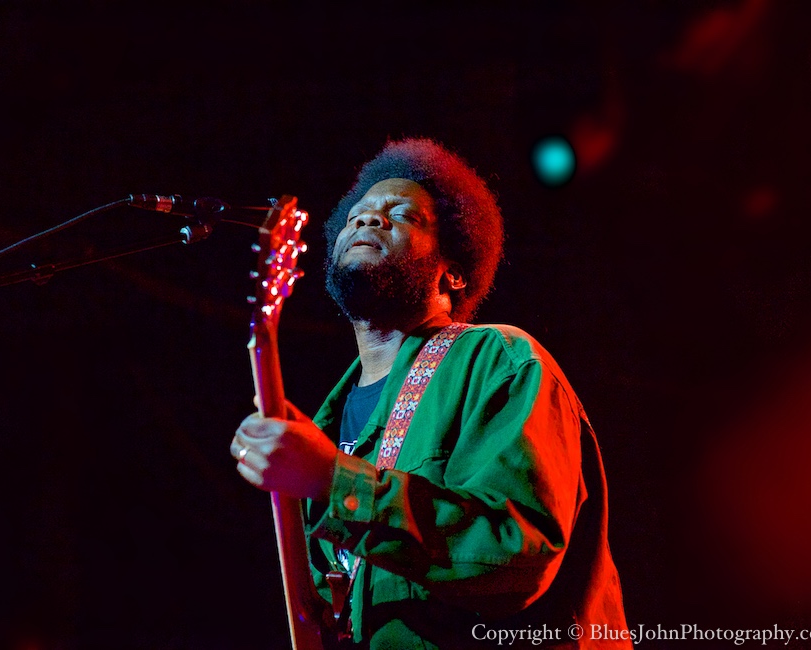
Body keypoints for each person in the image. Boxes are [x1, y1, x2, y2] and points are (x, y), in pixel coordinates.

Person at [231, 139, 630, 649]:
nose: (369, 221)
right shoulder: (326, 426)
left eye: (403, 215)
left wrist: (334, 481)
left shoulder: (499, 360)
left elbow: (518, 552)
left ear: (454, 271)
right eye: (358, 214)